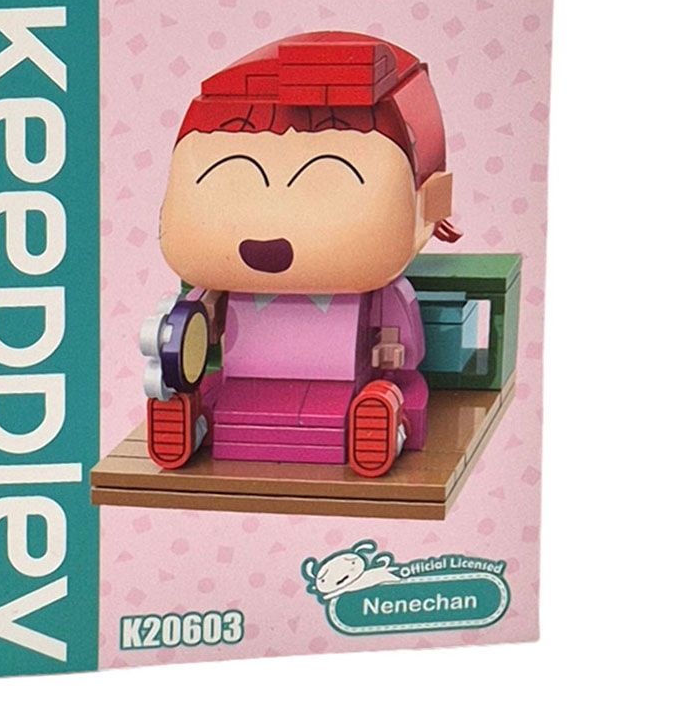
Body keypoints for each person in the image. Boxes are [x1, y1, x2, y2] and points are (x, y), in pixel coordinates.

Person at [141, 31, 460, 477]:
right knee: (215, 394)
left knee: (403, 391)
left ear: (427, 200)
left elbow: (405, 349)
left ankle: (383, 418)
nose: (268, 235)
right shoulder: (222, 288)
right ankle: (193, 420)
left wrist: (393, 361)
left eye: (327, 183)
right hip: (244, 382)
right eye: (232, 184)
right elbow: (191, 324)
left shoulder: (377, 288)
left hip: (349, 382)